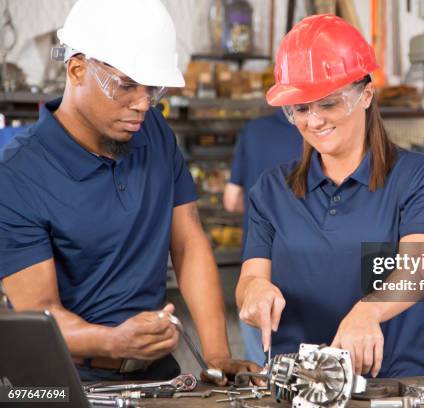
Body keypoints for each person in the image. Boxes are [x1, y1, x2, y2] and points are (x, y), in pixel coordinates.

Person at [0, 0, 259, 382]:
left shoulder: (153, 132)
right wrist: (112, 342)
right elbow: (40, 313)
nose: (142, 104)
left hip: (159, 376)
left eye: (152, 89)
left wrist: (218, 354)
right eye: (126, 85)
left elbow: (188, 242)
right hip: (71, 382)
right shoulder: (18, 175)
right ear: (76, 69)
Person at [235, 14, 424, 378]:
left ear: (365, 95)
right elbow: (250, 280)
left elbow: (421, 269)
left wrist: (369, 311)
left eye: (328, 104)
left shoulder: (416, 176)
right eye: (300, 108)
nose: (314, 121)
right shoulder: (271, 190)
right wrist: (253, 293)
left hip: (391, 386)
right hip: (299, 387)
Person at [224, 109, 303, 365]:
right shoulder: (325, 133)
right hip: (272, 275)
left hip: (259, 265)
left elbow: (231, 200)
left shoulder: (254, 130)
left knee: (263, 376)